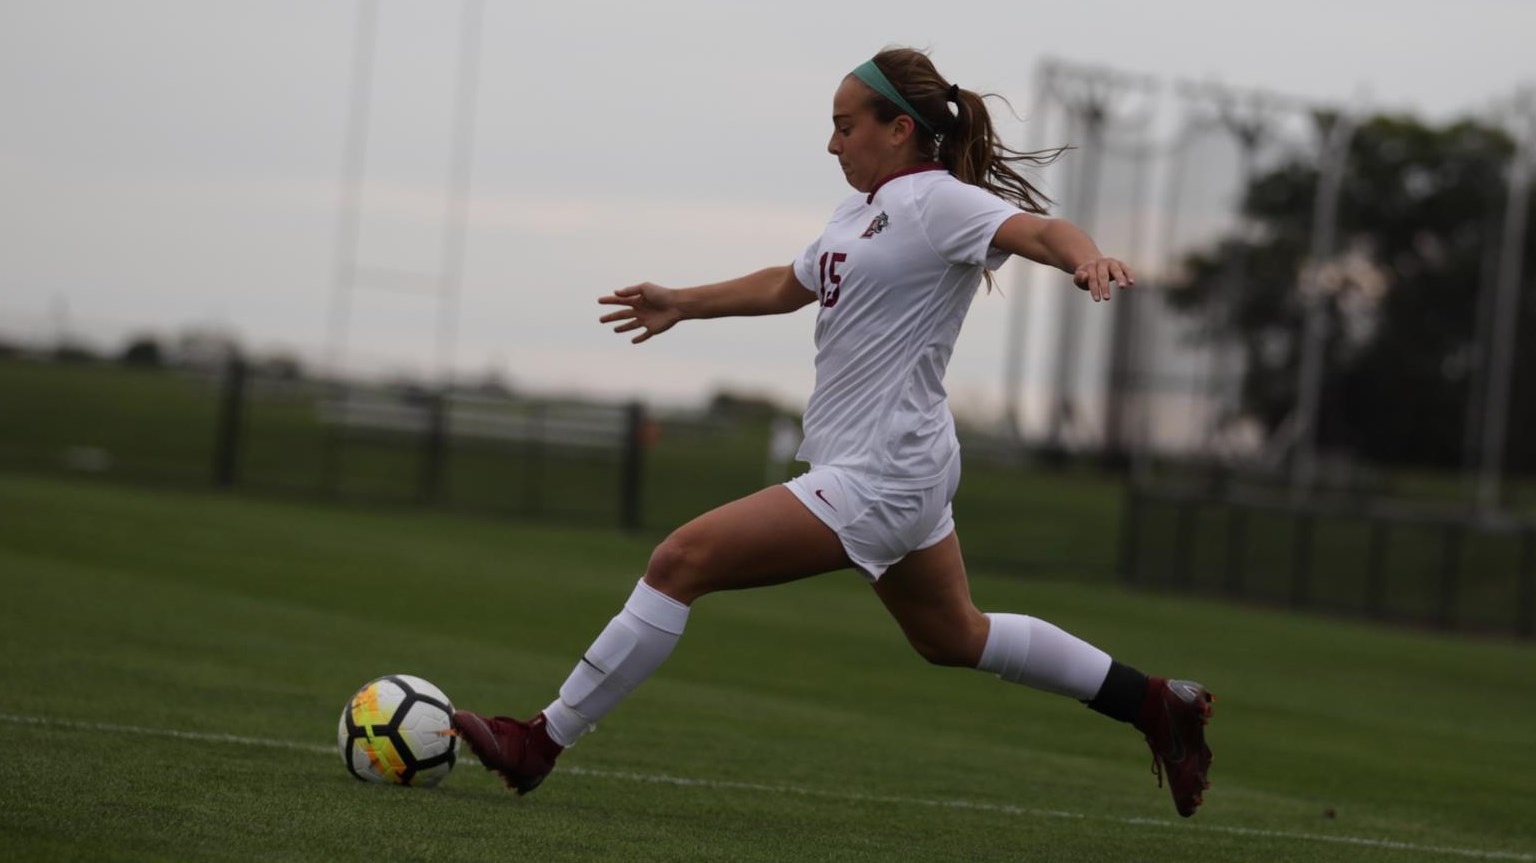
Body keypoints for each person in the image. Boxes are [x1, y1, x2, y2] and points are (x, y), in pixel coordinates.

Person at [452, 47, 1215, 818]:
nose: (832, 144)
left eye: (845, 127)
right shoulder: (860, 211)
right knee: (953, 634)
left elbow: (1043, 231)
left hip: (882, 471)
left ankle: (540, 740)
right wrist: (683, 300)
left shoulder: (936, 202)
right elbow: (791, 282)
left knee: (679, 559)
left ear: (900, 128)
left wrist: (1087, 260)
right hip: (901, 462)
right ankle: (1155, 703)